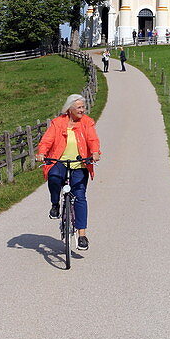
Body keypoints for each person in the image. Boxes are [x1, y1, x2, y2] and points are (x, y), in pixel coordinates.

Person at [36, 94, 101, 250]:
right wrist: (42, 152)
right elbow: (47, 140)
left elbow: (93, 140)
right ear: (69, 108)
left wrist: (95, 152)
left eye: (83, 107)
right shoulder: (58, 123)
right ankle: (55, 204)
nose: (82, 110)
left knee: (79, 197)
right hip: (59, 161)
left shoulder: (87, 123)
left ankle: (82, 235)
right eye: (79, 107)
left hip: (80, 163)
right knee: (53, 177)